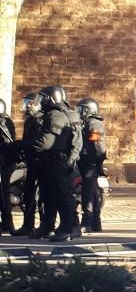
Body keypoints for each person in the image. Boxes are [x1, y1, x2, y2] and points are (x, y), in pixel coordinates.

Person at [30, 86, 83, 242]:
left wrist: (71, 159)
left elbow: (74, 141)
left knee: (63, 195)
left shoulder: (61, 115)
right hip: (50, 160)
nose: (40, 102)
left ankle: (69, 227)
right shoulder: (54, 114)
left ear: (51, 98)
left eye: (43, 98)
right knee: (48, 195)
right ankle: (48, 225)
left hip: (61, 160)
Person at [13, 93, 44, 237]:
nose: (28, 106)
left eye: (31, 103)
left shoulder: (39, 120)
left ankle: (44, 225)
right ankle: (28, 224)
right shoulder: (30, 121)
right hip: (31, 162)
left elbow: (37, 142)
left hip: (40, 162)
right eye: (27, 103)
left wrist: (23, 145)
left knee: (41, 196)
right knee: (29, 194)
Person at [76, 98, 107, 233]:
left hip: (91, 163)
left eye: (81, 110)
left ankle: (88, 221)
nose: (79, 113)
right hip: (86, 162)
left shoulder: (94, 124)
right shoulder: (87, 123)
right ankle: (95, 222)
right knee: (92, 192)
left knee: (88, 193)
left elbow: (98, 145)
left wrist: (97, 161)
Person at [0, 98, 16, 235]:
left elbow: (7, 142)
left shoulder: (3, 122)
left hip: (4, 162)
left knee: (3, 193)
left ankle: (7, 222)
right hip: (4, 161)